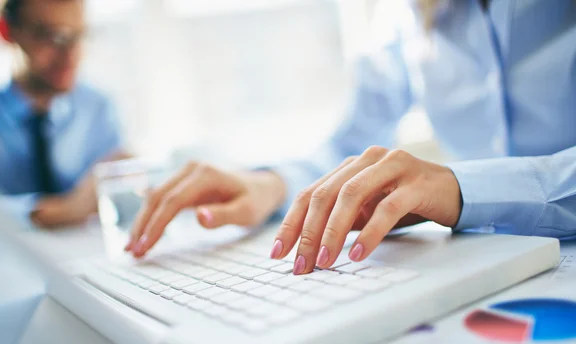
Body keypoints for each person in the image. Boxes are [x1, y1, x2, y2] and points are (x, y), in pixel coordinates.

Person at [126, 0, 576, 275]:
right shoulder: (406, 14)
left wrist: (462, 188)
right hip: (479, 263)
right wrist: (273, 184)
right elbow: (350, 148)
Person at [0, 0, 127, 231]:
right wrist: (54, 213)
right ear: (5, 31)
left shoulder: (96, 107)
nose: (70, 54)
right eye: (51, 36)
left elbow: (119, 202)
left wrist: (128, 181)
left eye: (78, 35)